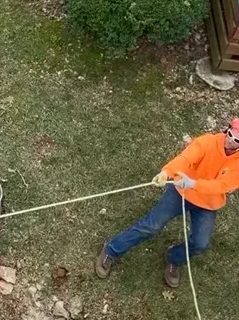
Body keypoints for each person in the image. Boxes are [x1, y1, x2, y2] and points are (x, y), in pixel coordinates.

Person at [96, 122, 239, 287]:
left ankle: (173, 258)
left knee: (201, 243)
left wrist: (193, 184)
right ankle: (111, 250)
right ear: (227, 130)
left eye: (237, 140)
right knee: (151, 226)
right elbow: (185, 158)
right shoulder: (207, 142)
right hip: (181, 192)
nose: (231, 141)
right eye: (230, 134)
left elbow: (222, 186)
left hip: (207, 203)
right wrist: (167, 172)